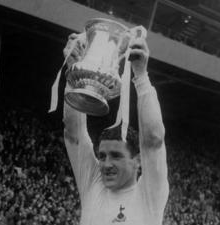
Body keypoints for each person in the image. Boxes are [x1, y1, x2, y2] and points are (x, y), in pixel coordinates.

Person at [63, 33, 169, 225]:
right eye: (102, 156)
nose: (105, 163)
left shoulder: (149, 194)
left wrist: (141, 75)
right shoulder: (93, 184)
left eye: (116, 155)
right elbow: (73, 133)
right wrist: (74, 70)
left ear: (138, 161)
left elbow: (154, 140)